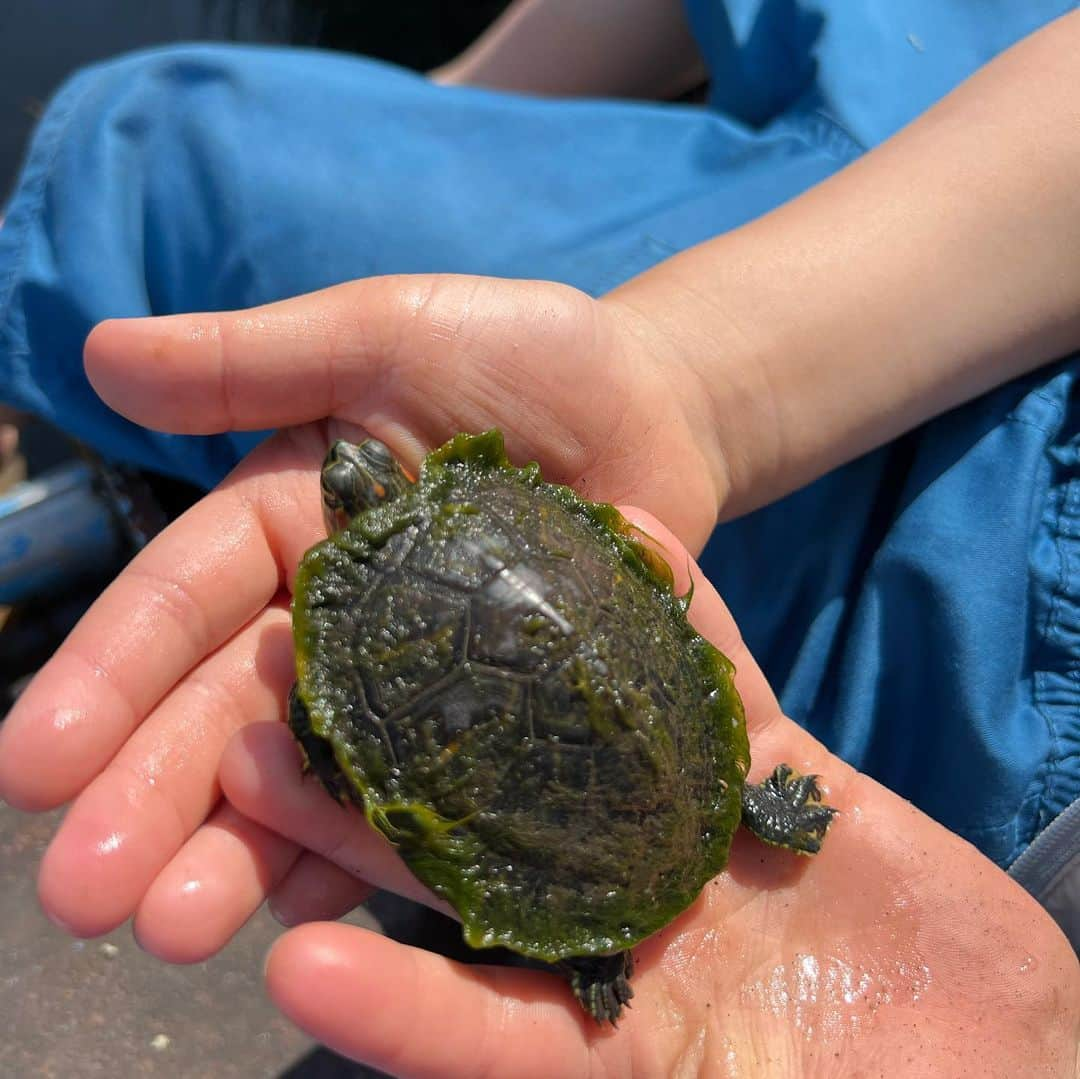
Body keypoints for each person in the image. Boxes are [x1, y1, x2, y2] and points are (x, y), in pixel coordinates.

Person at [0, 0, 1078, 1073]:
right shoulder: (476, 506)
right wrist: (687, 383)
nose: (339, 472)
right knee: (130, 134)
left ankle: (609, 928)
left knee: (130, 143)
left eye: (340, 479)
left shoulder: (428, 535)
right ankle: (678, 856)